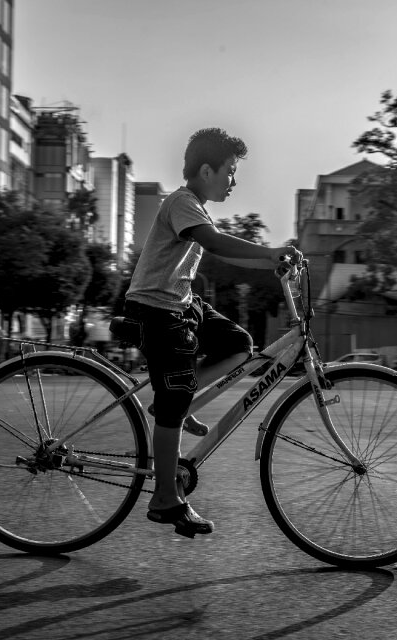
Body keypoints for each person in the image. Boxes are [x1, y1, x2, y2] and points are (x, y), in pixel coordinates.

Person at [123, 128, 303, 538]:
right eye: (230, 172)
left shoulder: (195, 206)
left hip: (182, 305)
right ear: (206, 170)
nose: (233, 182)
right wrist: (270, 250)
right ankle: (165, 498)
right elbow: (217, 244)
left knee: (240, 345)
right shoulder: (182, 202)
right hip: (157, 308)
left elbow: (227, 250)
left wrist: (275, 262)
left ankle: (178, 403)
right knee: (172, 402)